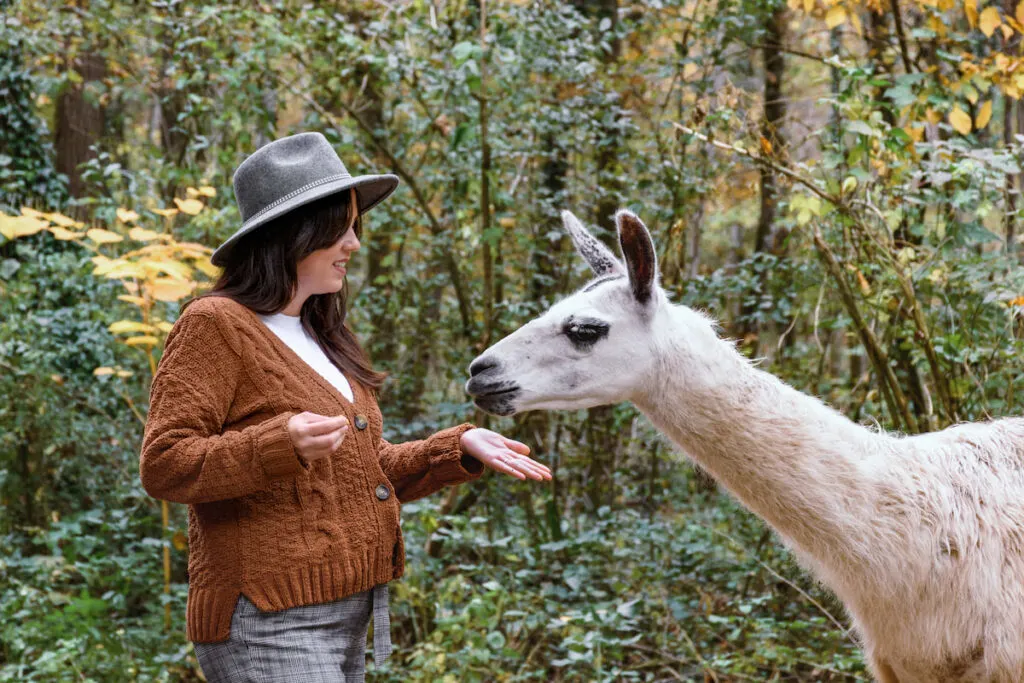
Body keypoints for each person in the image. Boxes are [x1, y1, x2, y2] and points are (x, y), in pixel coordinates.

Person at [139, 132, 551, 683]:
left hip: (348, 615)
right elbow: (164, 462)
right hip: (268, 621)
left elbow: (358, 472)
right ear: (294, 232)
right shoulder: (215, 324)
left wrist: (456, 446)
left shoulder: (320, 332)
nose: (355, 244)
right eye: (344, 227)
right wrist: (278, 445)